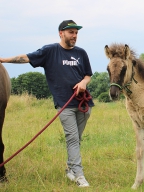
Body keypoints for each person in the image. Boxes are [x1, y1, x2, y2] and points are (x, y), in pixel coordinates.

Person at [0, 20, 94, 187]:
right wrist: (3, 60)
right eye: (71, 32)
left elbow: (88, 74)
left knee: (76, 139)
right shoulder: (50, 51)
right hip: (64, 105)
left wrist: (84, 83)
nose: (74, 36)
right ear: (61, 33)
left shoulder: (81, 53)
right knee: (72, 138)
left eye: (76, 33)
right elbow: (25, 58)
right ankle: (79, 176)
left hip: (84, 105)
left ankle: (70, 169)